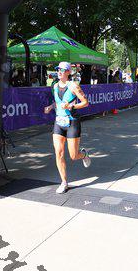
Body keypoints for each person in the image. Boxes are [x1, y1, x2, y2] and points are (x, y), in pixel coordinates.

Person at [43, 61, 91, 194]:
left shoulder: (73, 86)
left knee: (73, 155)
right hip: (59, 122)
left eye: (63, 70)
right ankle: (64, 182)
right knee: (59, 153)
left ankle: (84, 154)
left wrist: (71, 106)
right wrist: (51, 107)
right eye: (58, 69)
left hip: (72, 122)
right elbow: (57, 102)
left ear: (68, 72)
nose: (59, 72)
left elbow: (85, 102)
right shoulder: (55, 86)